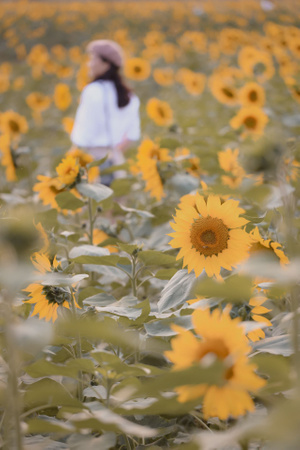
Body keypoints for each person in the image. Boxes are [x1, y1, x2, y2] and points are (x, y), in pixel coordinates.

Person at [70, 39, 141, 184]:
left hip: (91, 160)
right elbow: (133, 134)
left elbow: (83, 133)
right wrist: (114, 151)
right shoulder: (128, 95)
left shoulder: (93, 91)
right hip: (115, 160)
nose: (89, 64)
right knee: (114, 204)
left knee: (92, 204)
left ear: (106, 64)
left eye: (92, 59)